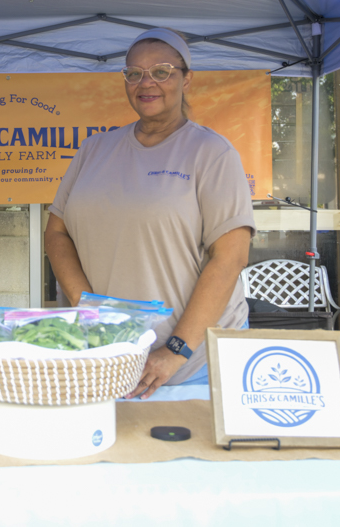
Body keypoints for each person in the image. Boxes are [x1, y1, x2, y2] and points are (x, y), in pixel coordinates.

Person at [45, 28, 255, 399]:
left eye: (161, 71)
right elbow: (57, 234)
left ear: (186, 79)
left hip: (191, 367)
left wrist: (174, 351)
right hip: (107, 358)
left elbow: (230, 258)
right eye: (134, 73)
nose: (147, 83)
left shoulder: (211, 153)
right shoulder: (95, 149)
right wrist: (92, 314)